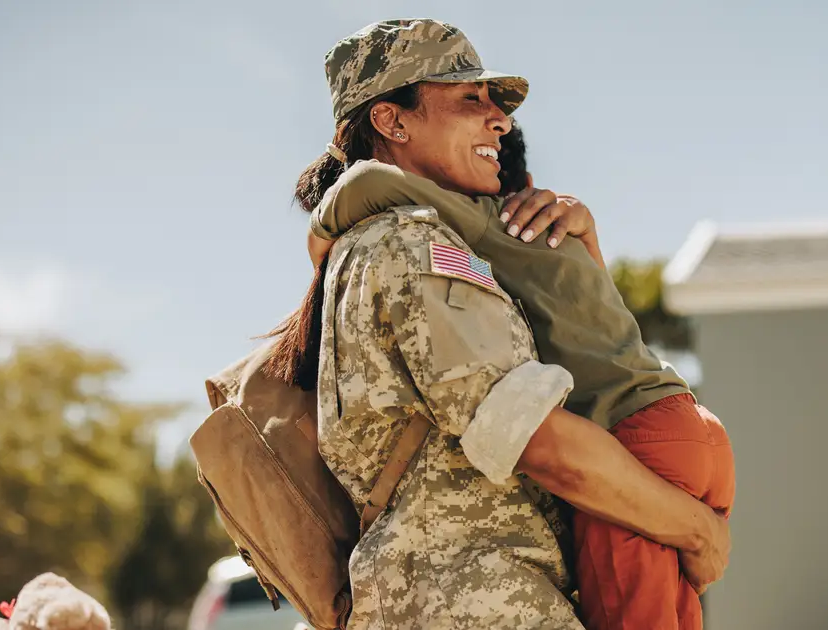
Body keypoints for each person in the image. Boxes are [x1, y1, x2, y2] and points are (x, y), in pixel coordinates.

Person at [269, 19, 731, 629]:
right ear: (391, 120)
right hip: (477, 604)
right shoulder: (410, 243)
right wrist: (697, 530)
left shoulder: (411, 239)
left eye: (496, 104)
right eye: (469, 99)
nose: (501, 121)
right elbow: (538, 439)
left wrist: (580, 252)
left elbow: (588, 359)